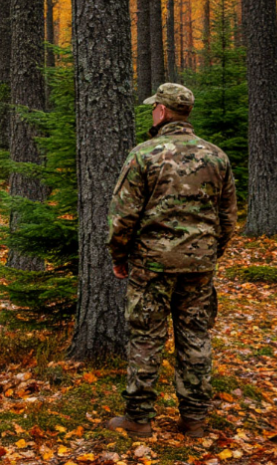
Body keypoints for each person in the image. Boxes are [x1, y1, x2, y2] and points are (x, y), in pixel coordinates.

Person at [105, 83, 237, 439]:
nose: (152, 113)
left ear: (162, 111)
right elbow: (228, 219)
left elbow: (122, 217)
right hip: (200, 266)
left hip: (152, 265)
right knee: (195, 338)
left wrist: (119, 256)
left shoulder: (145, 154)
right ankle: (194, 420)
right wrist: (209, 253)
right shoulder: (217, 157)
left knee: (146, 337)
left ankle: (139, 419)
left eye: (154, 109)